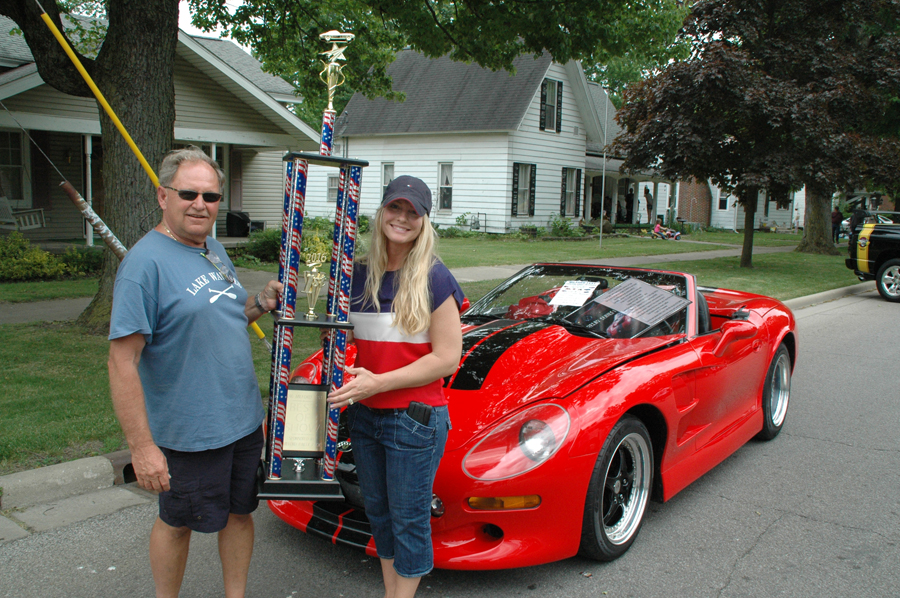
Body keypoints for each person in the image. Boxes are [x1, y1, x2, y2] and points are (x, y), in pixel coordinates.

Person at [108, 146, 282, 598]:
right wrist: (142, 448)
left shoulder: (211, 247)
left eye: (211, 196)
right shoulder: (143, 267)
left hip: (242, 420)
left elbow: (224, 315)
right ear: (163, 195)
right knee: (177, 522)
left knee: (241, 513)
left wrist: (260, 303)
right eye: (189, 194)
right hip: (190, 430)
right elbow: (121, 361)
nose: (200, 204)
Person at [327, 175, 464, 598]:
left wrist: (378, 382)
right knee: (380, 515)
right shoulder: (357, 274)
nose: (402, 218)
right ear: (381, 211)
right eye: (395, 208)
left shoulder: (434, 277)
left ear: (424, 221)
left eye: (413, 212)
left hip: (413, 421)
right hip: (366, 416)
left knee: (407, 520)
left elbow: (446, 359)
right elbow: (348, 337)